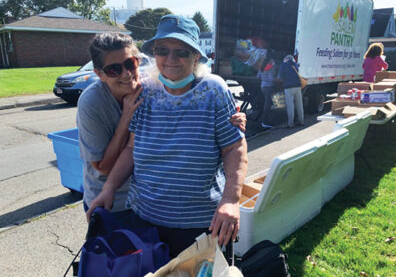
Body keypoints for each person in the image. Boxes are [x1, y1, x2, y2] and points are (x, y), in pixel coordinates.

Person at [87, 15, 248, 258]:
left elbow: (234, 147)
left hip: (201, 225)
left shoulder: (214, 89)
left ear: (196, 56)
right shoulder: (146, 92)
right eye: (162, 50)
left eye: (181, 51)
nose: (170, 59)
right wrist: (108, 188)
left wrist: (231, 200)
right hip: (144, 222)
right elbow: (131, 148)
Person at [278, 54, 304, 128]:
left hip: (288, 88)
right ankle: (301, 121)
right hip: (298, 87)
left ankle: (290, 124)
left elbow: (281, 77)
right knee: (299, 105)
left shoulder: (283, 65)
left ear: (285, 59)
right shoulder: (295, 65)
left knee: (290, 106)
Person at [257, 49, 277, 128]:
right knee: (267, 105)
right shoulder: (273, 63)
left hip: (263, 86)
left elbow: (258, 76)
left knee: (267, 103)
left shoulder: (262, 64)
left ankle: (264, 120)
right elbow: (274, 75)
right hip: (269, 87)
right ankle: (264, 122)